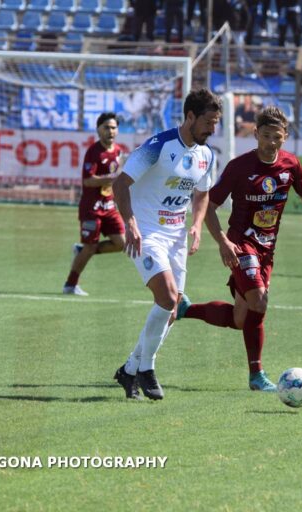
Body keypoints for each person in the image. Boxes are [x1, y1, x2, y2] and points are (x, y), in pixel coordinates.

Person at [176, 106, 302, 392]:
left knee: (242, 319)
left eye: (277, 137)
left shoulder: (290, 165)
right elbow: (209, 206)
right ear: (255, 134)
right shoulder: (239, 167)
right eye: (265, 136)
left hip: (267, 250)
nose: (271, 142)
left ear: (285, 136)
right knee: (260, 302)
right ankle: (257, 375)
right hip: (241, 244)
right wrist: (223, 242)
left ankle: (185, 309)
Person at [112, 89, 222, 400]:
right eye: (209, 122)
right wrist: (130, 224)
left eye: (216, 123)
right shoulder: (158, 146)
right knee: (168, 296)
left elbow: (202, 194)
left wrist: (198, 224)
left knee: (172, 309)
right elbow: (120, 183)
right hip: (147, 232)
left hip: (176, 237)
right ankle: (147, 368)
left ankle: (129, 369)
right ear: (190, 116)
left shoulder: (206, 155)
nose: (213, 130)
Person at [63, 112, 126, 296]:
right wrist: (111, 178)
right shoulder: (94, 152)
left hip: (109, 207)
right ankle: (70, 285)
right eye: (106, 127)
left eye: (113, 127)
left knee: (122, 244)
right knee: (90, 246)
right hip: (91, 209)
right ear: (98, 129)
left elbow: (116, 177)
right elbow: (88, 181)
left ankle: (82, 251)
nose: (110, 131)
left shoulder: (118, 151)